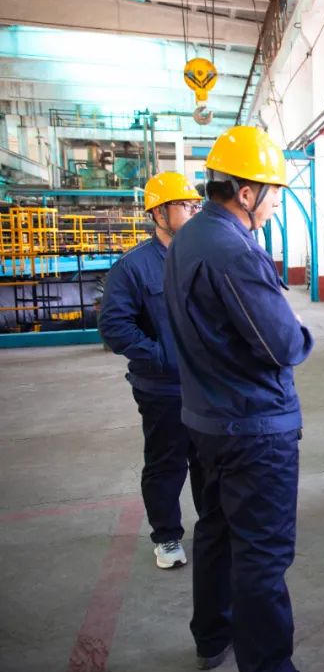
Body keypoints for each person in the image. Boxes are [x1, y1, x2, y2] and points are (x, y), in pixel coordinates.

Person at [164, 126, 314, 672]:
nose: (274, 206)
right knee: (262, 556)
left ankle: (212, 637)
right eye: (272, 194)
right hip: (253, 429)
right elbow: (284, 344)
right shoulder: (234, 251)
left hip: (206, 419)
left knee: (216, 531)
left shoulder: (187, 239)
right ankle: (270, 669)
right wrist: (301, 331)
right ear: (246, 193)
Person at [100, 171, 204, 570]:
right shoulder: (133, 267)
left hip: (206, 385)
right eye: (186, 206)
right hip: (162, 389)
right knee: (166, 463)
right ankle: (167, 536)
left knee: (209, 463)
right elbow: (115, 326)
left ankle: (212, 530)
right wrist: (162, 356)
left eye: (196, 205)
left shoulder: (203, 257)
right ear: (159, 213)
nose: (194, 212)